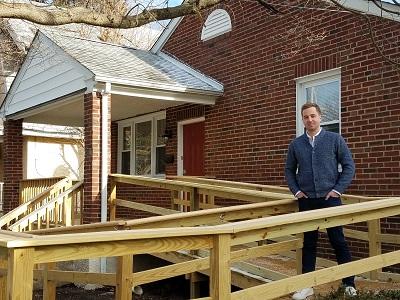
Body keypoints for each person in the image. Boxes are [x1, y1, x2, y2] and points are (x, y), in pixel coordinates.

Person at [285, 102, 357, 300]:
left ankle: (349, 283)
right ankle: (307, 285)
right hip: (307, 201)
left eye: (313, 116)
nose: (310, 120)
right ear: (303, 120)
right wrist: (297, 191)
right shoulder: (296, 144)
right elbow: (289, 171)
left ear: (320, 117)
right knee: (309, 243)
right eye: (306, 117)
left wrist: (337, 190)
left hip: (330, 199)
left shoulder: (334, 140)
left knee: (338, 240)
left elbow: (349, 166)